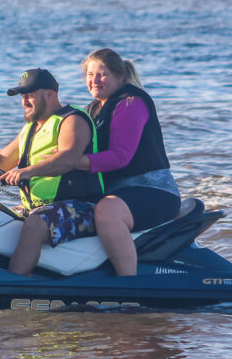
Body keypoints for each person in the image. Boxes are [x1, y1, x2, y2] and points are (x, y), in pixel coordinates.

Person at [0, 68, 104, 275]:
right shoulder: (31, 128)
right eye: (22, 96)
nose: (24, 101)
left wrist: (26, 172)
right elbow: (1, 160)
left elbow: (68, 159)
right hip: (37, 207)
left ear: (50, 94)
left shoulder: (72, 120)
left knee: (35, 223)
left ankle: (14, 285)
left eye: (30, 96)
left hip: (80, 207)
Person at [73, 48, 181, 276]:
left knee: (107, 212)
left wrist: (72, 162)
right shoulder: (91, 110)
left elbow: (120, 157)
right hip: (117, 193)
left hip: (154, 191)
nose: (94, 80)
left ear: (120, 76)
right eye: (89, 75)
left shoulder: (131, 103)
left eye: (102, 74)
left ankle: (128, 286)